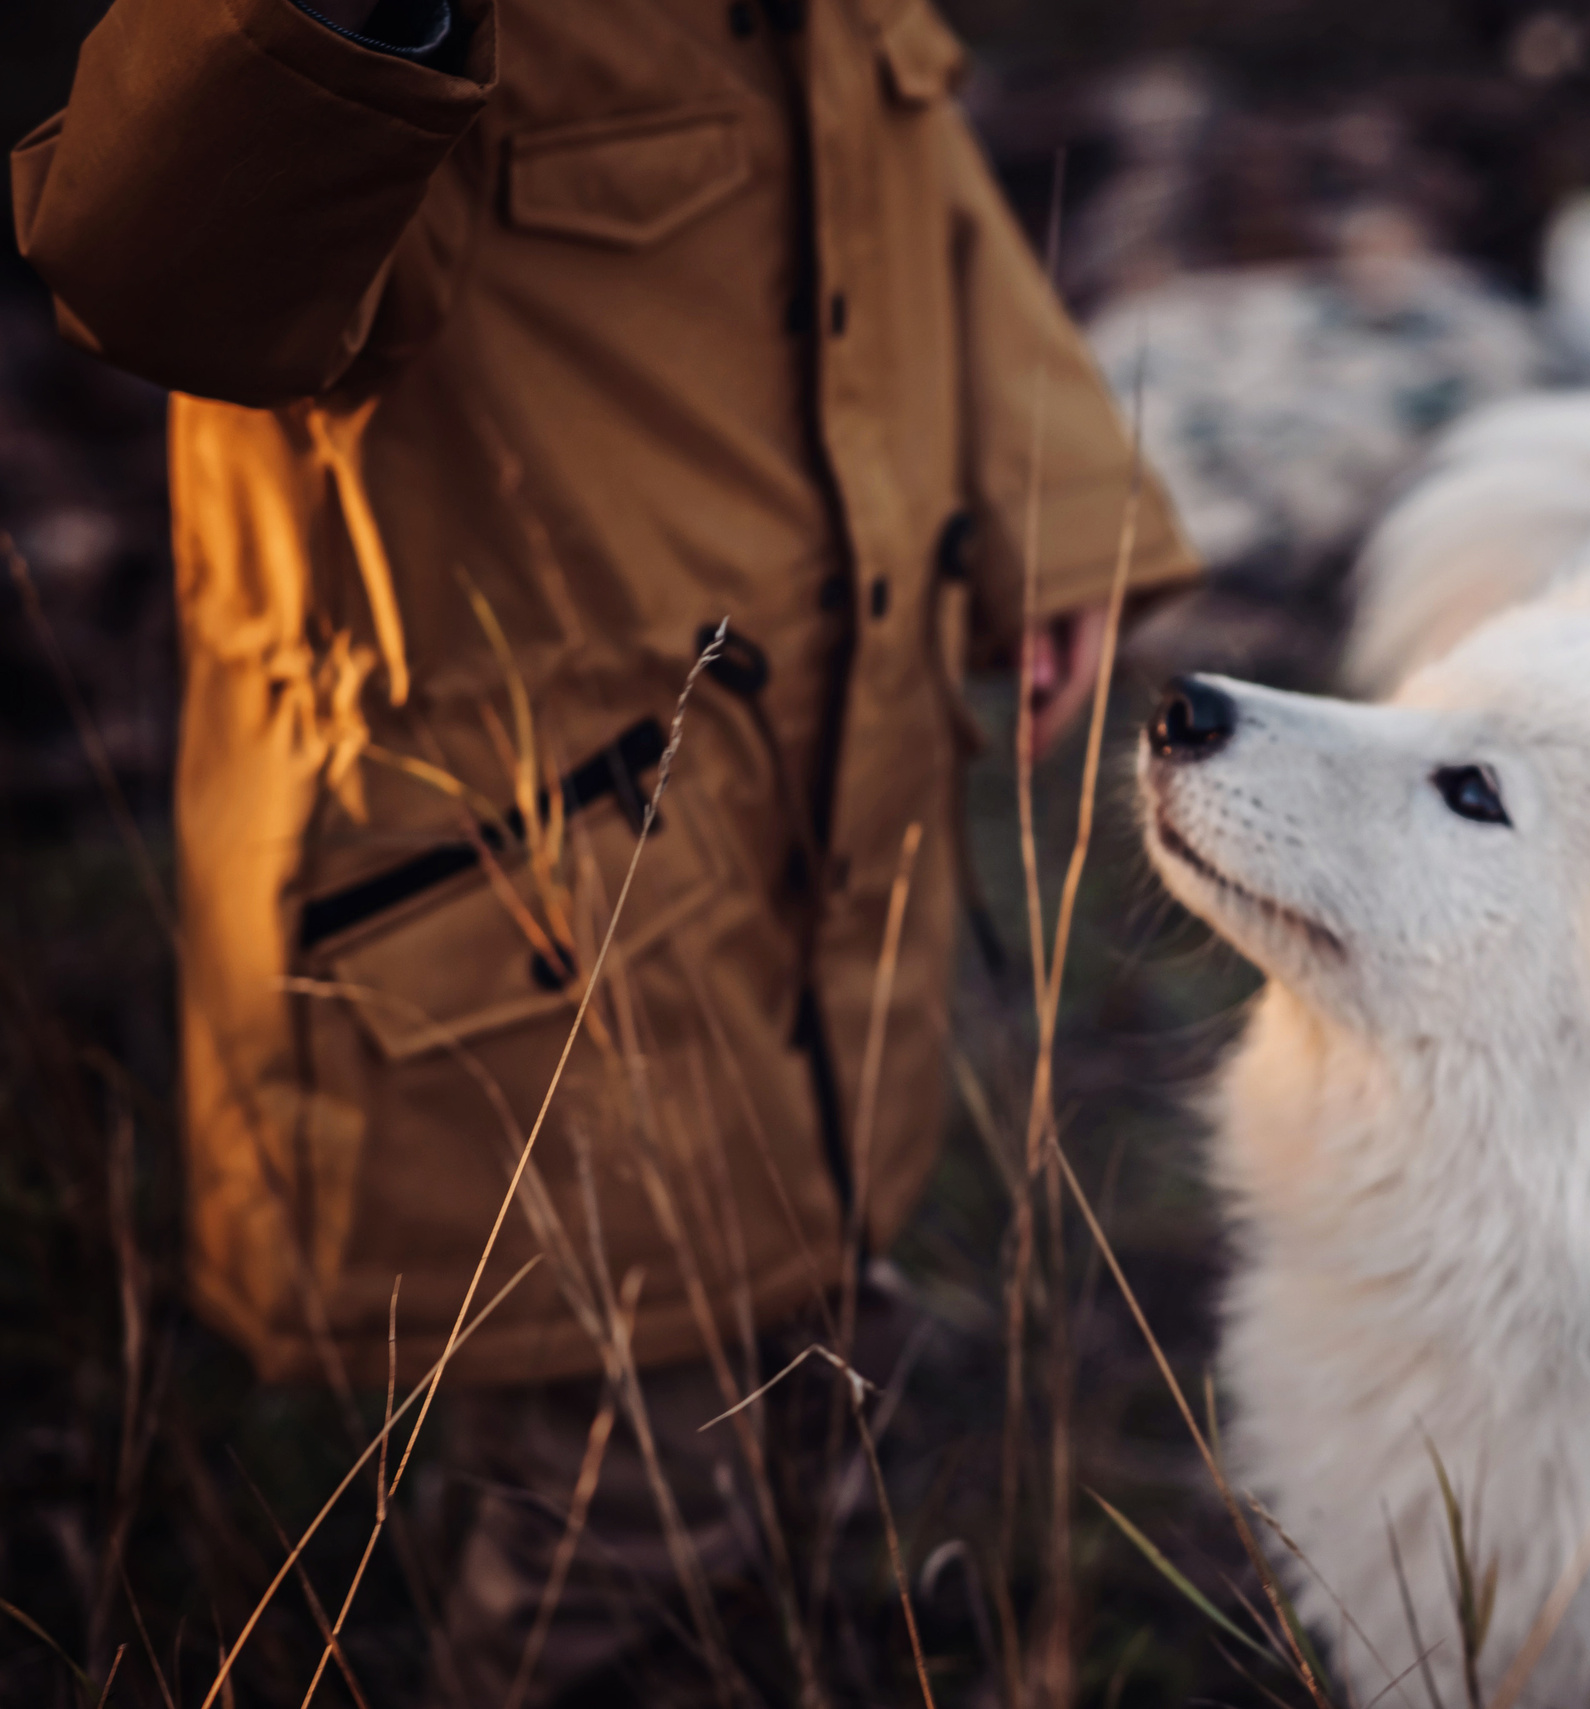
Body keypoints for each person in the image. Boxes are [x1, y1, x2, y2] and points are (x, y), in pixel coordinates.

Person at [12, 0, 1195, 1698]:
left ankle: (765, 1606)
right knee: (622, 1507)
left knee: (804, 1335)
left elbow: (909, 186)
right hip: (538, 918)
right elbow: (155, 275)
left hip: (816, 832)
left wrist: (1053, 506)